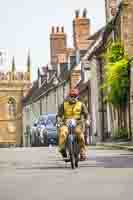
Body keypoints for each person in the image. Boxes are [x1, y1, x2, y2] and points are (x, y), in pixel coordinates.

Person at [57, 88, 90, 161]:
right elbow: (59, 115)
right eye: (71, 96)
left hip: (78, 123)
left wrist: (87, 120)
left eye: (74, 96)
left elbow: (86, 114)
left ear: (77, 97)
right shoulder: (64, 105)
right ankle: (62, 150)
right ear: (68, 96)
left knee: (80, 135)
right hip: (66, 123)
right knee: (62, 133)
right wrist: (59, 121)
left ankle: (82, 152)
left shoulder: (81, 104)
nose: (73, 98)